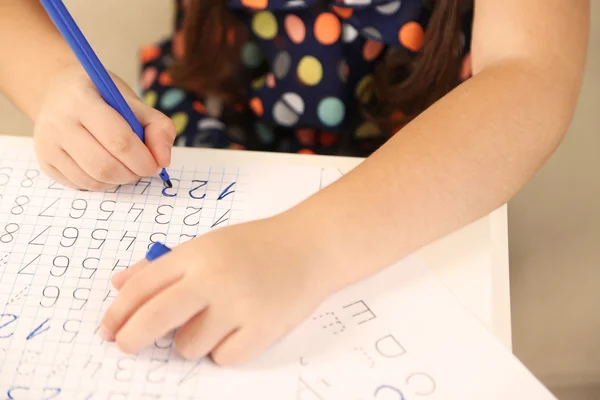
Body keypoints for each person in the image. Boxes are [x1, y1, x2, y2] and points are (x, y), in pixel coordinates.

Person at [0, 0, 589, 366]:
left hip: (425, 171)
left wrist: (304, 250)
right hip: (202, 133)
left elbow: (529, 76)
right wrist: (52, 78)